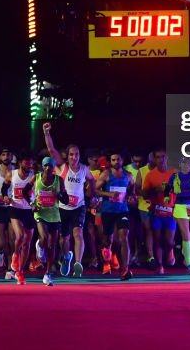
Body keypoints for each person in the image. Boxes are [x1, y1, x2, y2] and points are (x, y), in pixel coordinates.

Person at [42, 122, 95, 278]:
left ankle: (78, 264)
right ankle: (66, 257)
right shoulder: (63, 167)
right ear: (67, 155)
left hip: (79, 207)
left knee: (78, 234)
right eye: (71, 154)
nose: (74, 157)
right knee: (63, 239)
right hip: (63, 208)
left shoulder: (85, 169)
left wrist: (92, 194)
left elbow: (92, 180)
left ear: (80, 155)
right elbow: (51, 150)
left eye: (77, 154)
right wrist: (46, 133)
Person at [96, 150, 135, 280]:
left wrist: (131, 197)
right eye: (113, 160)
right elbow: (94, 190)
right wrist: (109, 194)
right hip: (108, 211)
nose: (116, 162)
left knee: (124, 238)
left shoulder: (128, 175)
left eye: (118, 159)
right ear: (110, 161)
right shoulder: (106, 174)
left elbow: (132, 191)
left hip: (122, 211)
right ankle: (107, 263)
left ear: (122, 160)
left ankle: (125, 269)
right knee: (108, 240)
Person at [165, 156, 190, 275]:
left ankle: (185, 252)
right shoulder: (174, 176)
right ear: (180, 164)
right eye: (183, 162)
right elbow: (167, 188)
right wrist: (166, 197)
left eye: (188, 163)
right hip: (180, 206)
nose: (186, 165)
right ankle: (189, 265)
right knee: (186, 236)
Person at [33, 156, 67, 286]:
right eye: (46, 165)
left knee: (52, 245)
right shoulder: (36, 178)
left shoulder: (59, 180)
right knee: (44, 237)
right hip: (40, 212)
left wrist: (57, 195)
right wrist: (32, 204)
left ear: (53, 168)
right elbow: (25, 192)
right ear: (43, 166)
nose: (48, 168)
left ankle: (47, 274)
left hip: (54, 214)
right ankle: (40, 245)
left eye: (51, 166)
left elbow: (66, 200)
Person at [143, 149, 176, 274]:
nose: (160, 159)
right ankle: (160, 265)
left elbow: (182, 189)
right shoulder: (150, 175)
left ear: (166, 158)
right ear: (154, 159)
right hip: (156, 211)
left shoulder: (174, 173)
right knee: (157, 239)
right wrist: (155, 190)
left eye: (163, 157)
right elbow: (145, 193)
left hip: (171, 212)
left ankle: (170, 250)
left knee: (168, 241)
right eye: (158, 157)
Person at [6, 152, 36, 285]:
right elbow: (3, 188)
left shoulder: (35, 176)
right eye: (26, 162)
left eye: (30, 162)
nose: (29, 165)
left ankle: (20, 271)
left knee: (27, 242)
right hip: (15, 208)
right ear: (20, 163)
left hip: (29, 210)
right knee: (20, 236)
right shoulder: (11, 174)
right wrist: (5, 196)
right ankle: (15, 256)